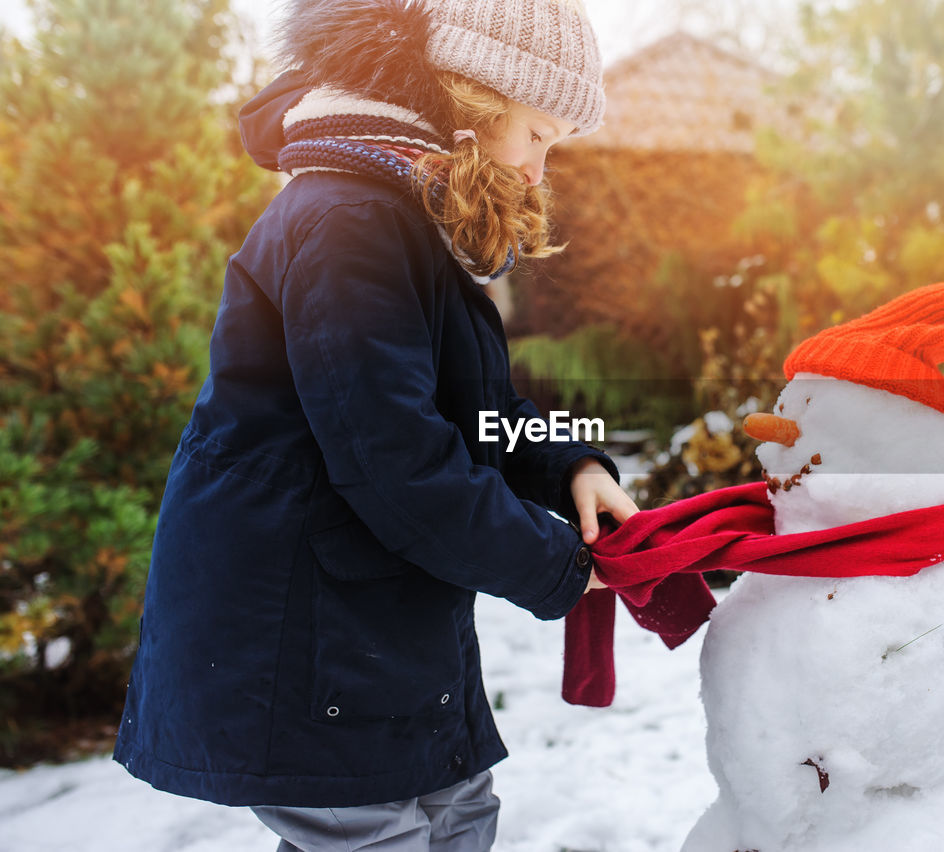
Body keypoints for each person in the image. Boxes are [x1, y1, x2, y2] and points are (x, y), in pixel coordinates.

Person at [112, 0, 636, 848]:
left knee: (459, 811)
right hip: (307, 626)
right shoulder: (347, 223)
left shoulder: (408, 216)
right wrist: (554, 563)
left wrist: (570, 466)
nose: (540, 171)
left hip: (381, 621)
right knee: (376, 833)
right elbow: (396, 457)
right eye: (538, 136)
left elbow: (482, 409)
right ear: (473, 104)